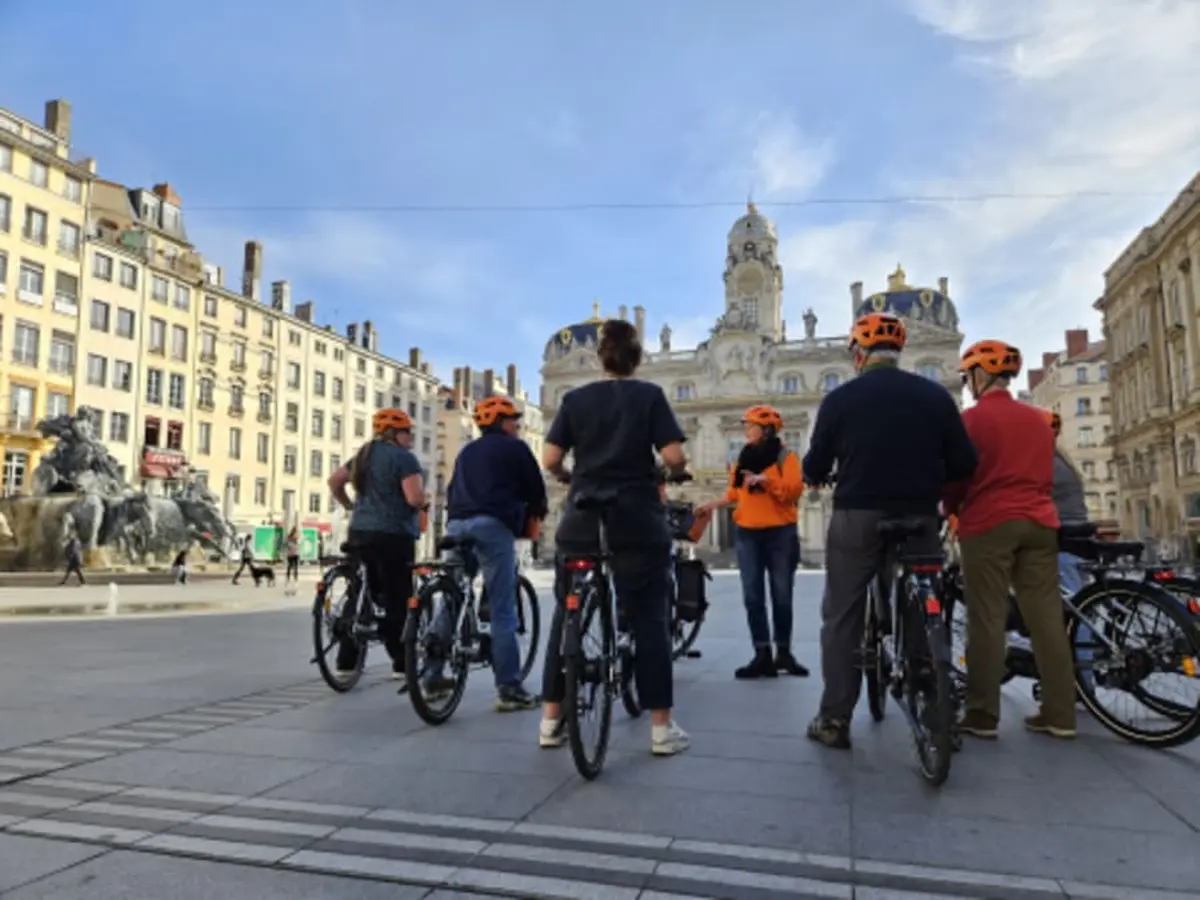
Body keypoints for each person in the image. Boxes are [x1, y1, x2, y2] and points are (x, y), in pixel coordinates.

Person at [802, 312, 978, 749]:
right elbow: (964, 464)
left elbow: (815, 464)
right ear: (897, 354)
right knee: (924, 599)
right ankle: (933, 701)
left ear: (859, 354)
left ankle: (834, 719)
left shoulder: (840, 399)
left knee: (842, 614)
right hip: (919, 515)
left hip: (857, 514)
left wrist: (821, 473)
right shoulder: (935, 396)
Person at [540, 318, 690, 756]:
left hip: (583, 514)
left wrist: (568, 475)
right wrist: (673, 472)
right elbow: (675, 454)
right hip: (636, 514)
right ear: (636, 358)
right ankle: (661, 729)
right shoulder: (648, 396)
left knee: (565, 616)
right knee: (649, 617)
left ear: (600, 357)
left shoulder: (575, 399)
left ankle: (551, 721)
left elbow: (549, 456)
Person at [944, 341, 1076, 740]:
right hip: (1040, 522)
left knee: (987, 617)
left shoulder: (971, 420)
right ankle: (1060, 715)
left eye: (969, 378)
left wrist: (950, 508)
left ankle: (983, 715)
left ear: (980, 376)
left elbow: (957, 476)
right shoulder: (1039, 421)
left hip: (989, 522)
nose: (968, 385)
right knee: (1047, 618)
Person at [430, 395, 548, 711]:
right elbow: (536, 490)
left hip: (456, 525)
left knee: (452, 596)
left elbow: (454, 489)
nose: (519, 426)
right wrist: (537, 512)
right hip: (492, 525)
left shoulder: (468, 452)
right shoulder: (516, 448)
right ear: (503, 423)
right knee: (502, 608)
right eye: (515, 420)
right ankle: (509, 688)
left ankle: (430, 676)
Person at [697, 405, 808, 679]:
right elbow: (735, 494)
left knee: (782, 596)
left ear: (767, 429)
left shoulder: (786, 456)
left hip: (780, 532)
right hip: (747, 532)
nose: (746, 431)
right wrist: (711, 504)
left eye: (751, 426)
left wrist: (767, 482)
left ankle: (784, 653)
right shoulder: (742, 459)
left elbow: (794, 491)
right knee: (752, 596)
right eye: (745, 427)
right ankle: (762, 654)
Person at [328, 408, 426, 685]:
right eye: (408, 432)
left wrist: (349, 505)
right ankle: (400, 662)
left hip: (359, 531)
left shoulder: (363, 456)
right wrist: (424, 499)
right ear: (395, 433)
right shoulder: (404, 459)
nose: (411, 438)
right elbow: (413, 498)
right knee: (397, 598)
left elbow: (335, 481)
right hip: (393, 535)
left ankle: (345, 662)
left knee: (359, 593)